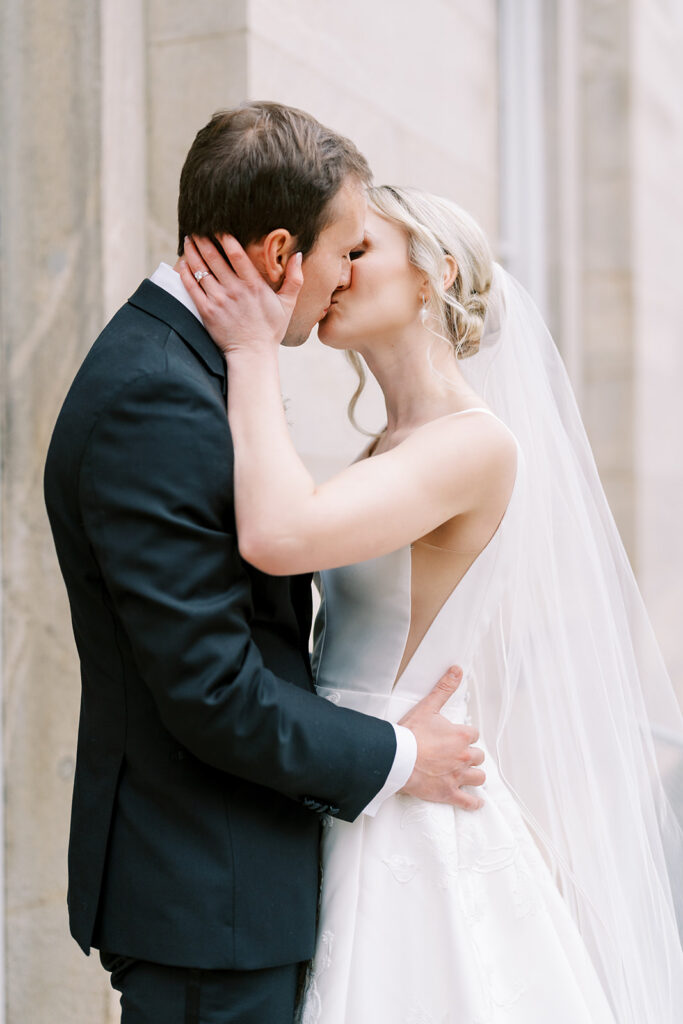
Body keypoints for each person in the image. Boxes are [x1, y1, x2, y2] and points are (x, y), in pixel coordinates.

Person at [180, 183, 683, 1022]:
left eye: (357, 250)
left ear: (432, 275)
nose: (331, 270)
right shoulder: (388, 444)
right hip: (348, 769)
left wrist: (253, 351)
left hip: (398, 800)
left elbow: (278, 535)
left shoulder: (474, 443)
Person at [43, 105, 487, 1024]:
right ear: (285, 254)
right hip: (212, 891)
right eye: (343, 251)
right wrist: (403, 756)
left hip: (252, 879)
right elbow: (213, 690)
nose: (340, 279)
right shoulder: (158, 398)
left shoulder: (187, 371)